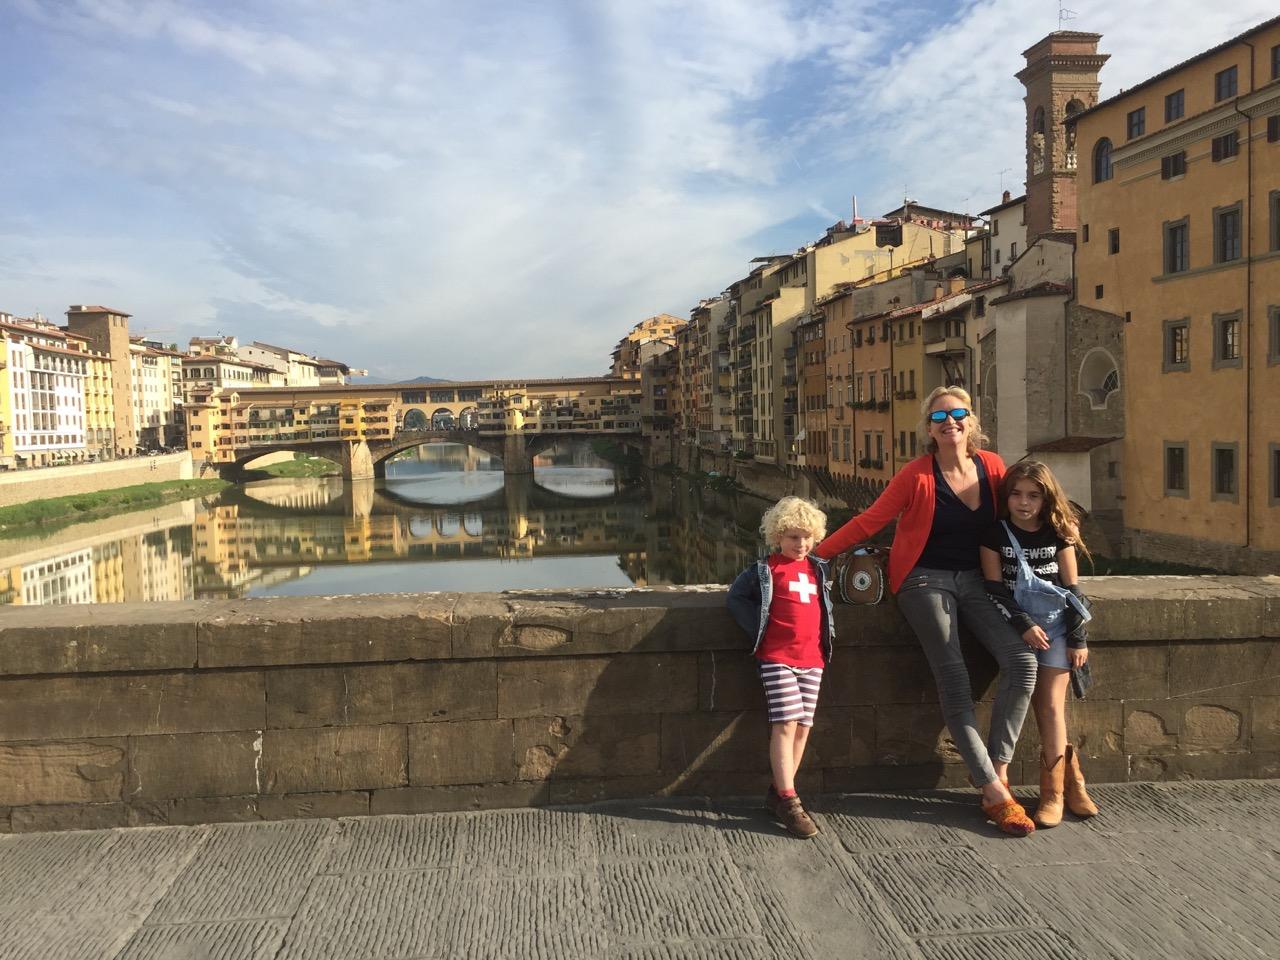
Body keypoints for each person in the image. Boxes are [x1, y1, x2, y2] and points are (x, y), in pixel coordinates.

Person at [814, 386, 1038, 837]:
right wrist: (814, 555)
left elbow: (1027, 506)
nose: (950, 421)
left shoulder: (992, 467)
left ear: (971, 421)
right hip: (922, 579)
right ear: (929, 428)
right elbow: (868, 522)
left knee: (1023, 660)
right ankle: (993, 792)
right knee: (953, 674)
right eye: (940, 416)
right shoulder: (916, 475)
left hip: (977, 580)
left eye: (958, 413)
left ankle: (996, 768)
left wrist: (1061, 544)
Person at [980, 459, 1099, 828]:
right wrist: (1023, 624)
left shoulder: (1058, 533)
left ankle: (1058, 791)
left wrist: (1078, 637)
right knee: (1019, 701)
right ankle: (1053, 783)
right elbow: (994, 587)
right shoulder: (994, 533)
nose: (1024, 502)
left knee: (1050, 706)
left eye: (1033, 495)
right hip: (1015, 625)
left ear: (1046, 499)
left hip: (1057, 628)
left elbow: (1072, 589)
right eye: (1016, 494)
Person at [727, 496, 833, 840]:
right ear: (777, 537)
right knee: (785, 723)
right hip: (777, 656)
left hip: (812, 658)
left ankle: (777, 791)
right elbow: (736, 598)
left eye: (805, 537)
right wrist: (760, 629)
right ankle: (789, 800)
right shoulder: (765, 569)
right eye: (792, 537)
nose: (800, 544)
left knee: (803, 726)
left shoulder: (818, 569)